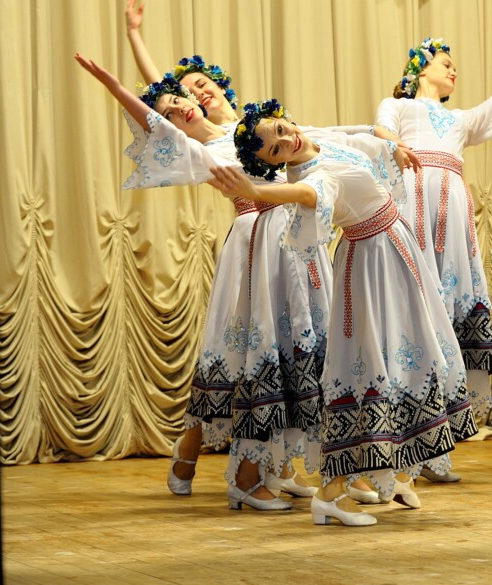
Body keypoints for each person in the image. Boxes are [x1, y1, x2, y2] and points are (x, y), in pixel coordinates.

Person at [76, 53, 405, 511]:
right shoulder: (201, 152)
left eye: (188, 94)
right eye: (173, 106)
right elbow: (160, 121)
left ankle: (326, 468)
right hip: (264, 243)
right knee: (260, 350)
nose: (186, 103)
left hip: (300, 237)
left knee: (317, 351)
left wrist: (382, 137)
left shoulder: (249, 129)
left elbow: (325, 135)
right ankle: (245, 475)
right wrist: (117, 85)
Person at [208, 100, 478, 526]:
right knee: (371, 366)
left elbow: (356, 136)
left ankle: (394, 469)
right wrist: (257, 193)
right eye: (276, 149)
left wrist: (390, 143)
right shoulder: (310, 175)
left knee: (408, 356)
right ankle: (333, 491)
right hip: (374, 262)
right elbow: (311, 194)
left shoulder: (318, 142)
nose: (287, 140)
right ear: (274, 164)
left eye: (281, 129)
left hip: (395, 247)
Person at [372, 0, 492, 472]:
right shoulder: (402, 106)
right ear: (419, 68)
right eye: (445, 62)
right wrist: (393, 145)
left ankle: (436, 446)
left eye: (455, 65)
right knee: (411, 313)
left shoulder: (460, 121)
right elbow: (381, 129)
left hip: (449, 217)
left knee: (446, 319)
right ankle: (399, 441)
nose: (453, 69)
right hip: (411, 202)